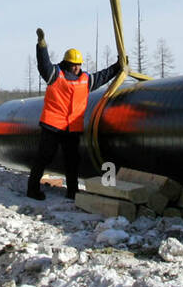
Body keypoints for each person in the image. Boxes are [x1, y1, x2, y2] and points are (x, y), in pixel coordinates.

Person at [27, 27, 122, 201]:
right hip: (53, 126)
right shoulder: (55, 74)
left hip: (72, 128)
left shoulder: (85, 80)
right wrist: (42, 46)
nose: (77, 68)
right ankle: (32, 189)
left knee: (72, 161)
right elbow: (43, 64)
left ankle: (72, 192)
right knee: (44, 157)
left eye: (79, 64)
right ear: (66, 63)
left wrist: (117, 66)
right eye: (74, 64)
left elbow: (103, 76)